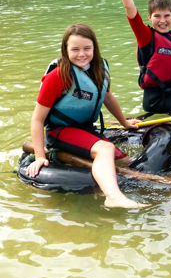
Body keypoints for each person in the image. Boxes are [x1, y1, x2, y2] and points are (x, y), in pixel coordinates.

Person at [26, 23, 148, 209]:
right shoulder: (58, 76)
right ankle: (113, 197)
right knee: (105, 149)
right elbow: (37, 119)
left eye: (87, 48)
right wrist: (40, 156)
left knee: (126, 161)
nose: (81, 54)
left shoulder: (100, 69)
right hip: (61, 131)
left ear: (94, 48)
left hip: (85, 129)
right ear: (65, 50)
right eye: (75, 49)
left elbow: (107, 97)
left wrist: (125, 123)